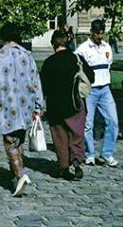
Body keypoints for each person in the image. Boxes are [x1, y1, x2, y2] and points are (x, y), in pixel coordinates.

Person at [0, 22, 44, 197]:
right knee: (18, 140)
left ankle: (20, 175)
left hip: (6, 106)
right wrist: (39, 105)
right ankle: (16, 176)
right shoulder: (27, 55)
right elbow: (36, 81)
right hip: (25, 105)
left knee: (10, 142)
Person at [40, 30, 94, 180]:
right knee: (77, 135)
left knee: (60, 138)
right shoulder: (77, 59)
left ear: (53, 44)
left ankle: (63, 166)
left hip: (55, 107)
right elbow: (91, 77)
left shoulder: (49, 62)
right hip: (74, 103)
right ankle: (77, 160)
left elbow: (43, 87)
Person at [76, 19, 120, 167]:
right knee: (88, 124)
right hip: (91, 90)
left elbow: (109, 64)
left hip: (105, 89)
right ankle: (89, 154)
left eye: (102, 33)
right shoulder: (83, 49)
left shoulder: (107, 47)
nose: (100, 36)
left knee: (113, 121)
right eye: (97, 33)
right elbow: (78, 68)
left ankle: (107, 153)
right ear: (92, 32)